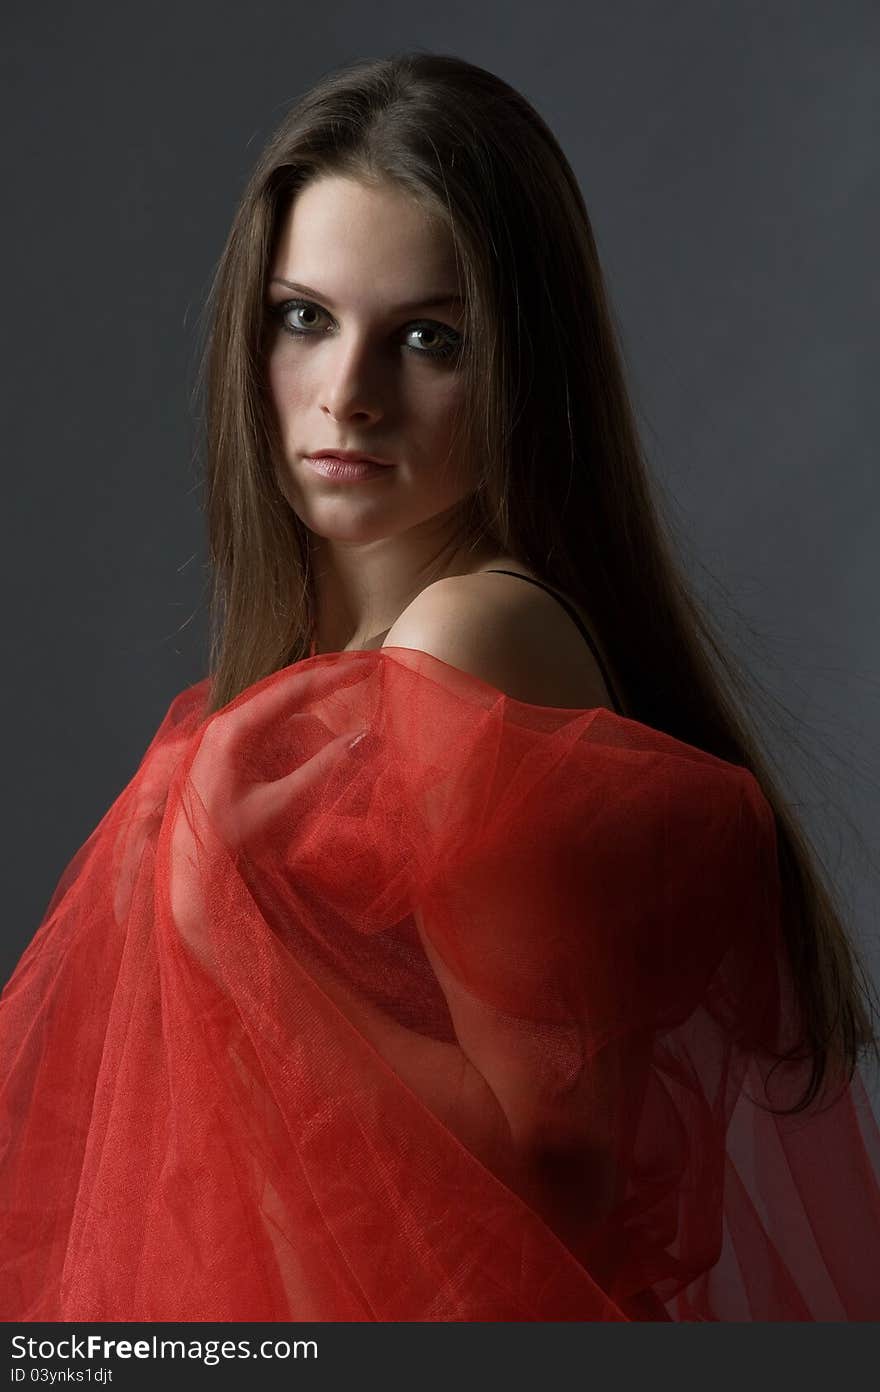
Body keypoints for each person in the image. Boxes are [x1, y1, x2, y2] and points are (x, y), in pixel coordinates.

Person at [2, 51, 879, 1323]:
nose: (346, 396)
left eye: (427, 339)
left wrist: (210, 915)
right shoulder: (335, 665)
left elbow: (557, 1163)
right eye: (304, 318)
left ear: (525, 369)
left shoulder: (468, 636)